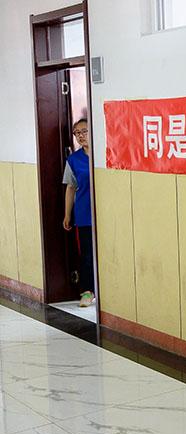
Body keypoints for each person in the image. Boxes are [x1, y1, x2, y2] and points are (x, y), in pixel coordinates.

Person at [62, 118, 95, 307]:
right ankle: (87, 292)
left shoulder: (105, 153)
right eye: (77, 133)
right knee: (87, 255)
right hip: (84, 214)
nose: (81, 136)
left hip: (107, 213)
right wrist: (67, 215)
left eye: (84, 131)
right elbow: (70, 188)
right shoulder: (73, 160)